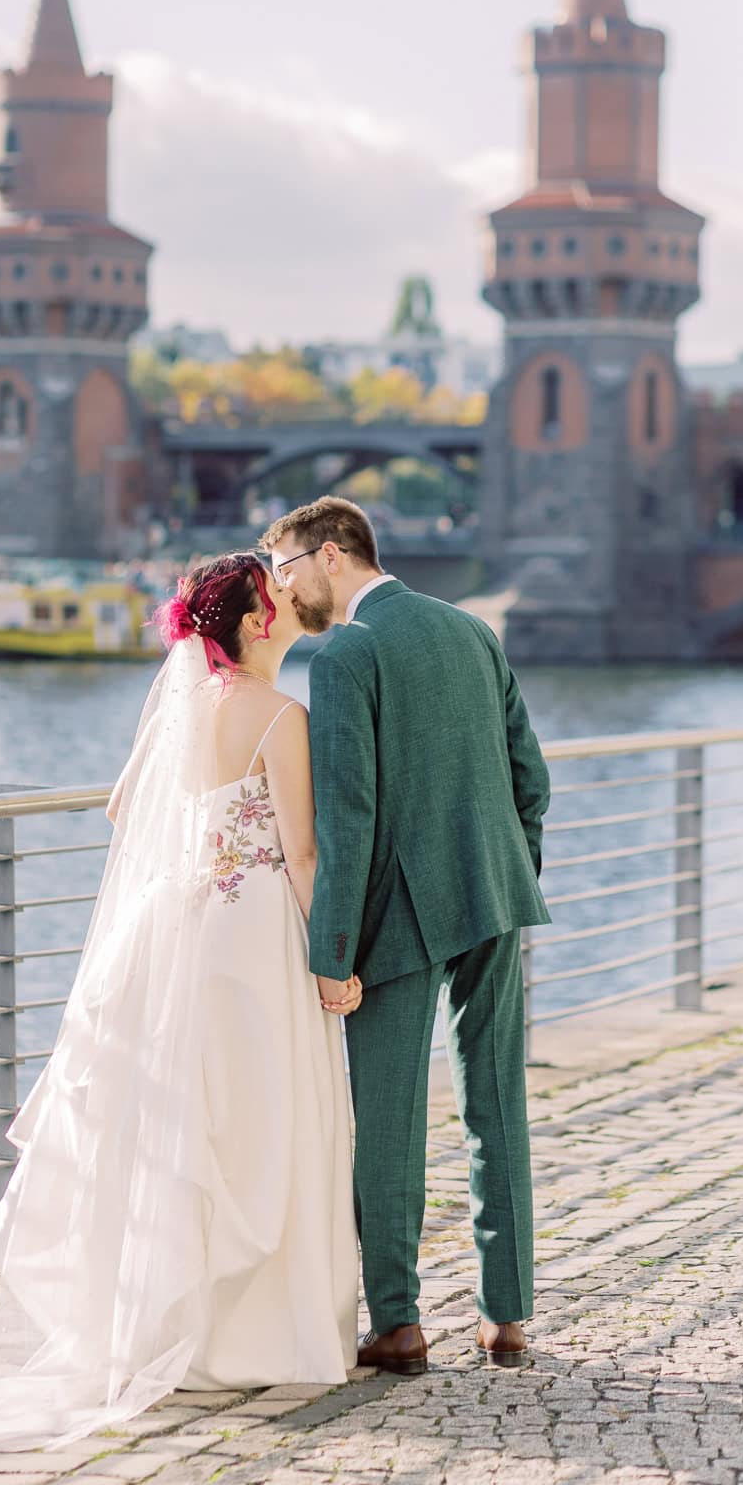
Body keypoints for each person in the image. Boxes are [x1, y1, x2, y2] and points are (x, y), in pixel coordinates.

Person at [0, 552, 358, 1463]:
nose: (282, 612)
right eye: (272, 603)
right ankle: (258, 1334)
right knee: (258, 1116)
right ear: (253, 623)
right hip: (254, 938)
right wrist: (331, 963)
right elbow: (303, 855)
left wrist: (197, 846)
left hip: (173, 930)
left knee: (175, 1122)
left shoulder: (183, 709)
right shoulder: (281, 717)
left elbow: (124, 809)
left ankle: (165, 1324)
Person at [260, 498, 551, 1373]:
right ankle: (505, 1314)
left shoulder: (346, 653)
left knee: (386, 1121)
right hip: (494, 894)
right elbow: (529, 776)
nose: (284, 591)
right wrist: (510, 868)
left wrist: (331, 952)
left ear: (335, 552)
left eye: (286, 569)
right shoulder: (472, 631)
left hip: (398, 913)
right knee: (496, 1099)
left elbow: (347, 817)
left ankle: (399, 1321)